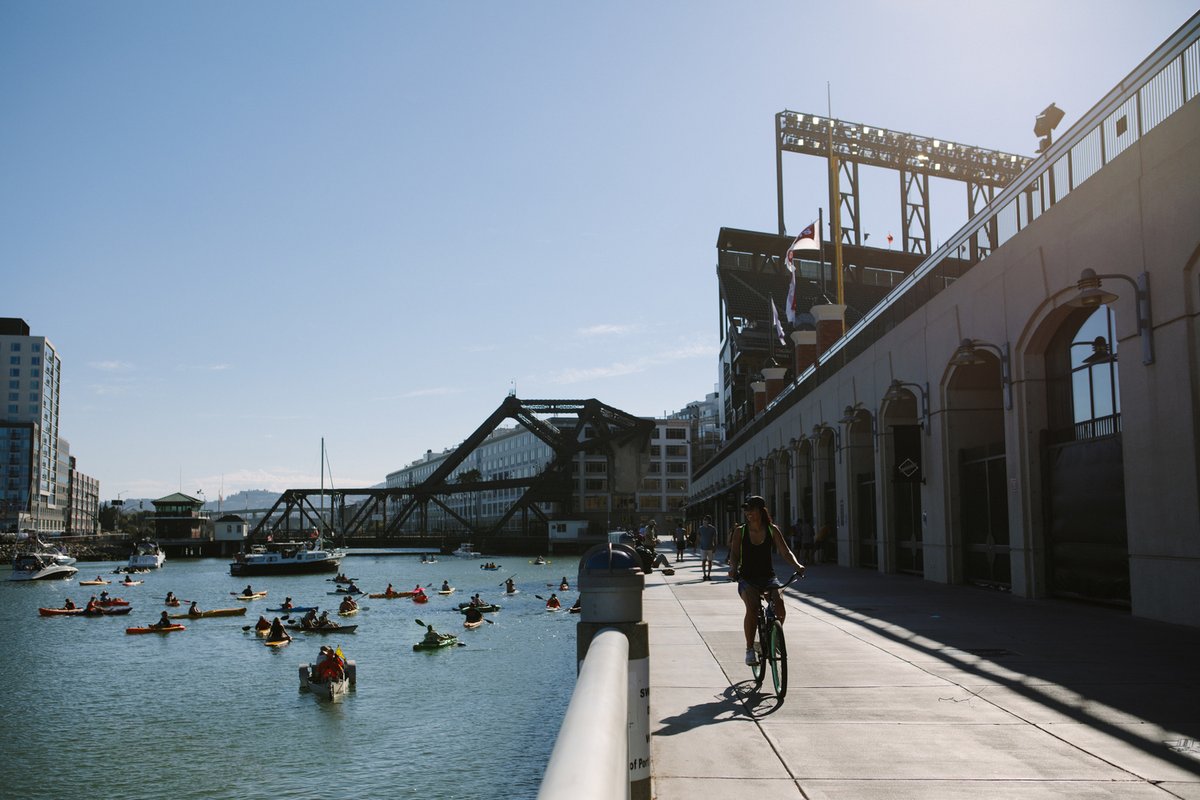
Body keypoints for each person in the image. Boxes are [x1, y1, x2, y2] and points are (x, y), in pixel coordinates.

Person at [728, 495, 806, 666]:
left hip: (769, 576)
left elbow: (785, 552)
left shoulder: (772, 530)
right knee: (753, 607)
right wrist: (733, 568)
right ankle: (750, 649)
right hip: (747, 578)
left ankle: (774, 638)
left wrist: (797, 565)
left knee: (780, 607)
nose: (747, 513)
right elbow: (734, 554)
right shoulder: (740, 531)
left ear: (761, 511)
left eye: (751, 509)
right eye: (746, 510)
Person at [697, 515, 718, 580]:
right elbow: (698, 536)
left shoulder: (712, 529)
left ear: (709, 521)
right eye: (704, 519)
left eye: (706, 520)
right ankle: (704, 574)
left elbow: (715, 539)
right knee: (703, 561)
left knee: (710, 561)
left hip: (710, 548)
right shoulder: (700, 528)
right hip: (703, 547)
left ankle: (708, 574)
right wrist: (698, 543)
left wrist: (715, 547)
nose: (704, 521)